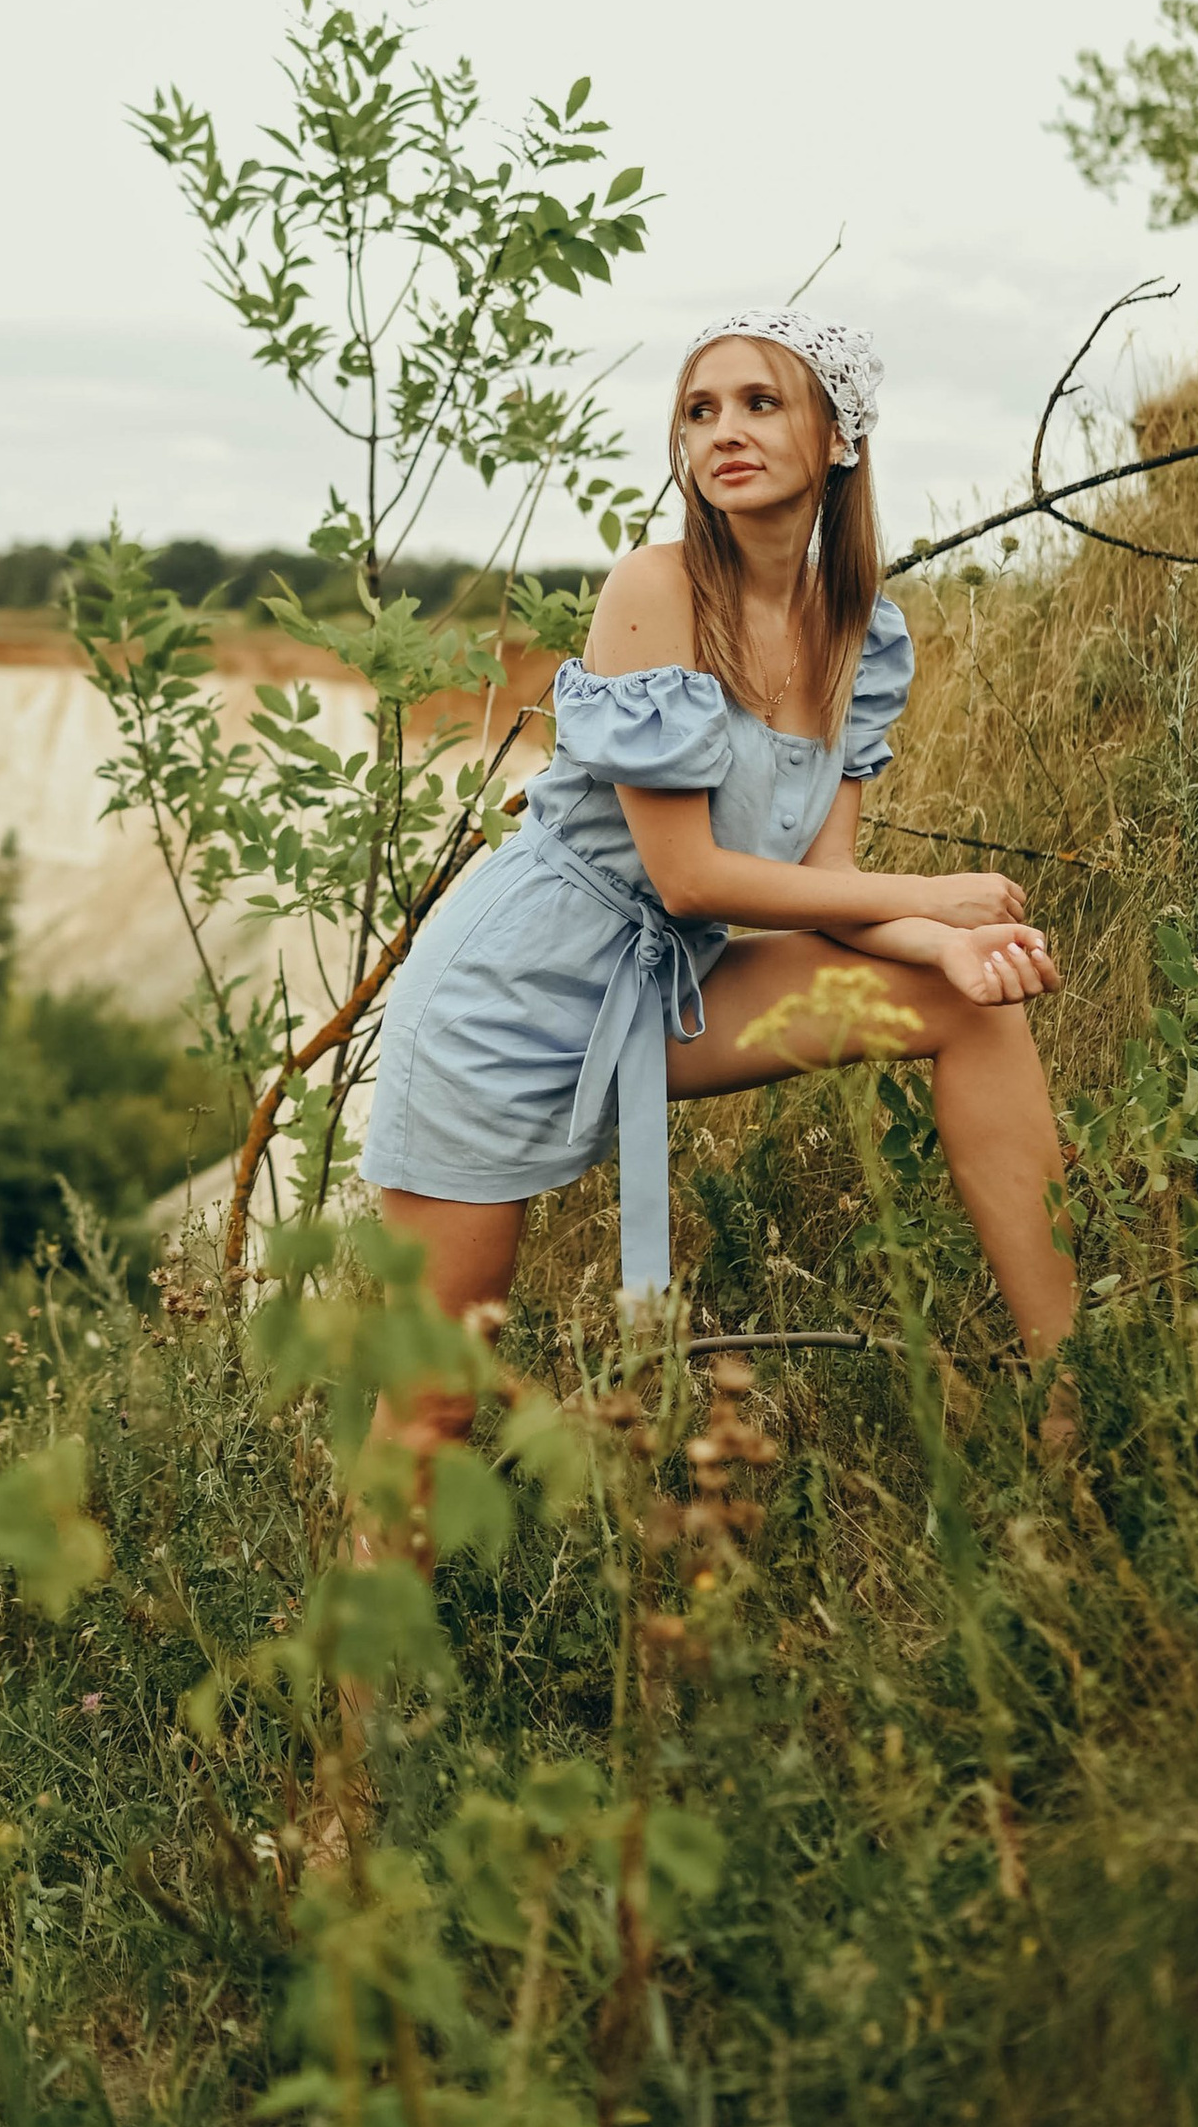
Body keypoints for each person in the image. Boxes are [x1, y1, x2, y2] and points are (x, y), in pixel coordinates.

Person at [360, 306, 1077, 1412]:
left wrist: (945, 942)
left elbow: (824, 890)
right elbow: (691, 877)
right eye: (698, 411)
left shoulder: (859, 633)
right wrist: (931, 892)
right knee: (433, 1414)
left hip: (664, 994)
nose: (721, 432)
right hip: (500, 1008)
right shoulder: (656, 590)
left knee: (967, 1004)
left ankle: (1074, 1385)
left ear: (840, 437)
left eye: (758, 402)